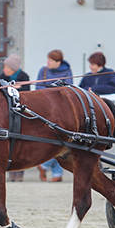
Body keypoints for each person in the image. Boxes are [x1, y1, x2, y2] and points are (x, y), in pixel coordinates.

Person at [35, 49, 73, 182]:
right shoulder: (43, 70)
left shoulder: (67, 71)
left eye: (50, 60)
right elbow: (38, 87)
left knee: (59, 138)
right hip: (45, 107)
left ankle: (46, 167)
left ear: (58, 62)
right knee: (52, 139)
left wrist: (51, 93)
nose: (48, 62)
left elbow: (68, 88)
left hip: (60, 109)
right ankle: (56, 173)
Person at [0, 53, 30, 182]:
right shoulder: (2, 77)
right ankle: (10, 172)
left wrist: (16, 89)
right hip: (6, 112)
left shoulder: (24, 76)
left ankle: (19, 173)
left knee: (20, 142)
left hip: (20, 112)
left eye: (7, 67)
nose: (4, 70)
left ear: (13, 68)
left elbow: (27, 93)